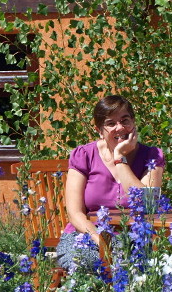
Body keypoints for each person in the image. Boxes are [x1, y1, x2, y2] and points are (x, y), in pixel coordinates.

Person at [58, 95, 165, 270]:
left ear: (134, 123)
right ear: (99, 130)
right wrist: (100, 239)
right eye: (111, 124)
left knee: (147, 266)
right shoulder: (84, 155)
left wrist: (120, 159)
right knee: (87, 263)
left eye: (125, 120)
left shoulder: (152, 156)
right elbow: (75, 213)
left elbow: (147, 204)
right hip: (86, 236)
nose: (120, 128)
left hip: (135, 237)